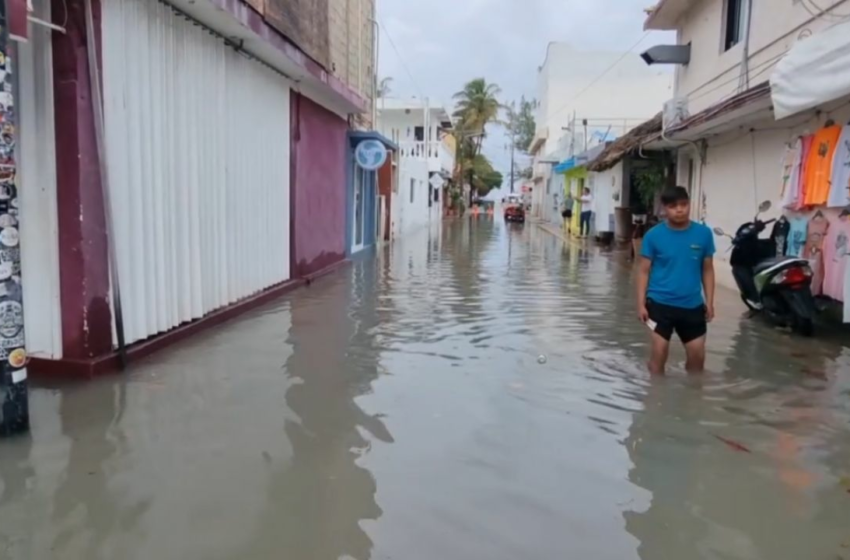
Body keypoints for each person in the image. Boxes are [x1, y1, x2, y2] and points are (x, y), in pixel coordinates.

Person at [636, 186, 715, 374]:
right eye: (673, 206)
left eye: (683, 204)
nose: (679, 210)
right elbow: (643, 271)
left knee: (697, 357)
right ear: (664, 208)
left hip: (692, 305)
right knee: (659, 353)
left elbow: (708, 270)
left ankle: (694, 398)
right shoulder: (653, 236)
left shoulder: (704, 234)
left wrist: (710, 303)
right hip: (659, 304)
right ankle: (655, 397)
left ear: (689, 204)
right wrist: (640, 304)